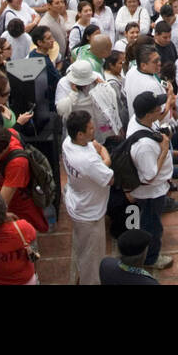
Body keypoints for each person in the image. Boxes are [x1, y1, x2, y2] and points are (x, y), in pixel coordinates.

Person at [61, 109, 114, 285]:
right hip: (90, 213)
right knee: (94, 260)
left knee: (83, 249)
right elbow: (109, 178)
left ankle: (82, 273)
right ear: (80, 134)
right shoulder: (88, 161)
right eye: (91, 129)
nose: (95, 130)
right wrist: (105, 154)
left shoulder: (68, 143)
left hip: (77, 202)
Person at [126, 90, 176, 270]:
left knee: (147, 221)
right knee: (152, 226)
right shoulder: (144, 146)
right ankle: (151, 259)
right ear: (148, 114)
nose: (160, 110)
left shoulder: (138, 120)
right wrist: (163, 149)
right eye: (157, 109)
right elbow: (149, 176)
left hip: (155, 189)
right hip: (151, 193)